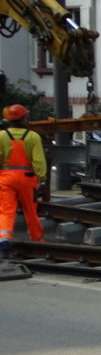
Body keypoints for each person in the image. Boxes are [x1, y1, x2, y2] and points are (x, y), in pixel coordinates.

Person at [0, 104, 46, 256]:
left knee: (6, 209)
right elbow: (38, 161)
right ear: (24, 118)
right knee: (30, 210)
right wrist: (42, 178)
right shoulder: (33, 137)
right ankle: (37, 239)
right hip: (27, 178)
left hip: (6, 178)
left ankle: (5, 237)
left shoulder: (1, 136)